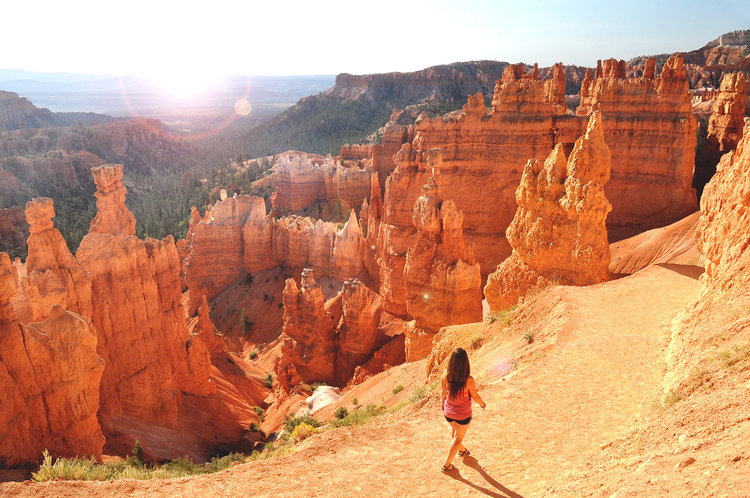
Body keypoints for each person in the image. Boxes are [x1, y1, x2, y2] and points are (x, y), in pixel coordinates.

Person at [440, 347, 485, 472]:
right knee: (458, 438)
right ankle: (447, 465)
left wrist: (442, 404)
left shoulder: (445, 375)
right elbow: (475, 396)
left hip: (448, 413)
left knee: (455, 431)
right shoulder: (468, 380)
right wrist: (482, 404)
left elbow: (443, 393)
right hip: (462, 416)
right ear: (465, 363)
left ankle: (462, 450)